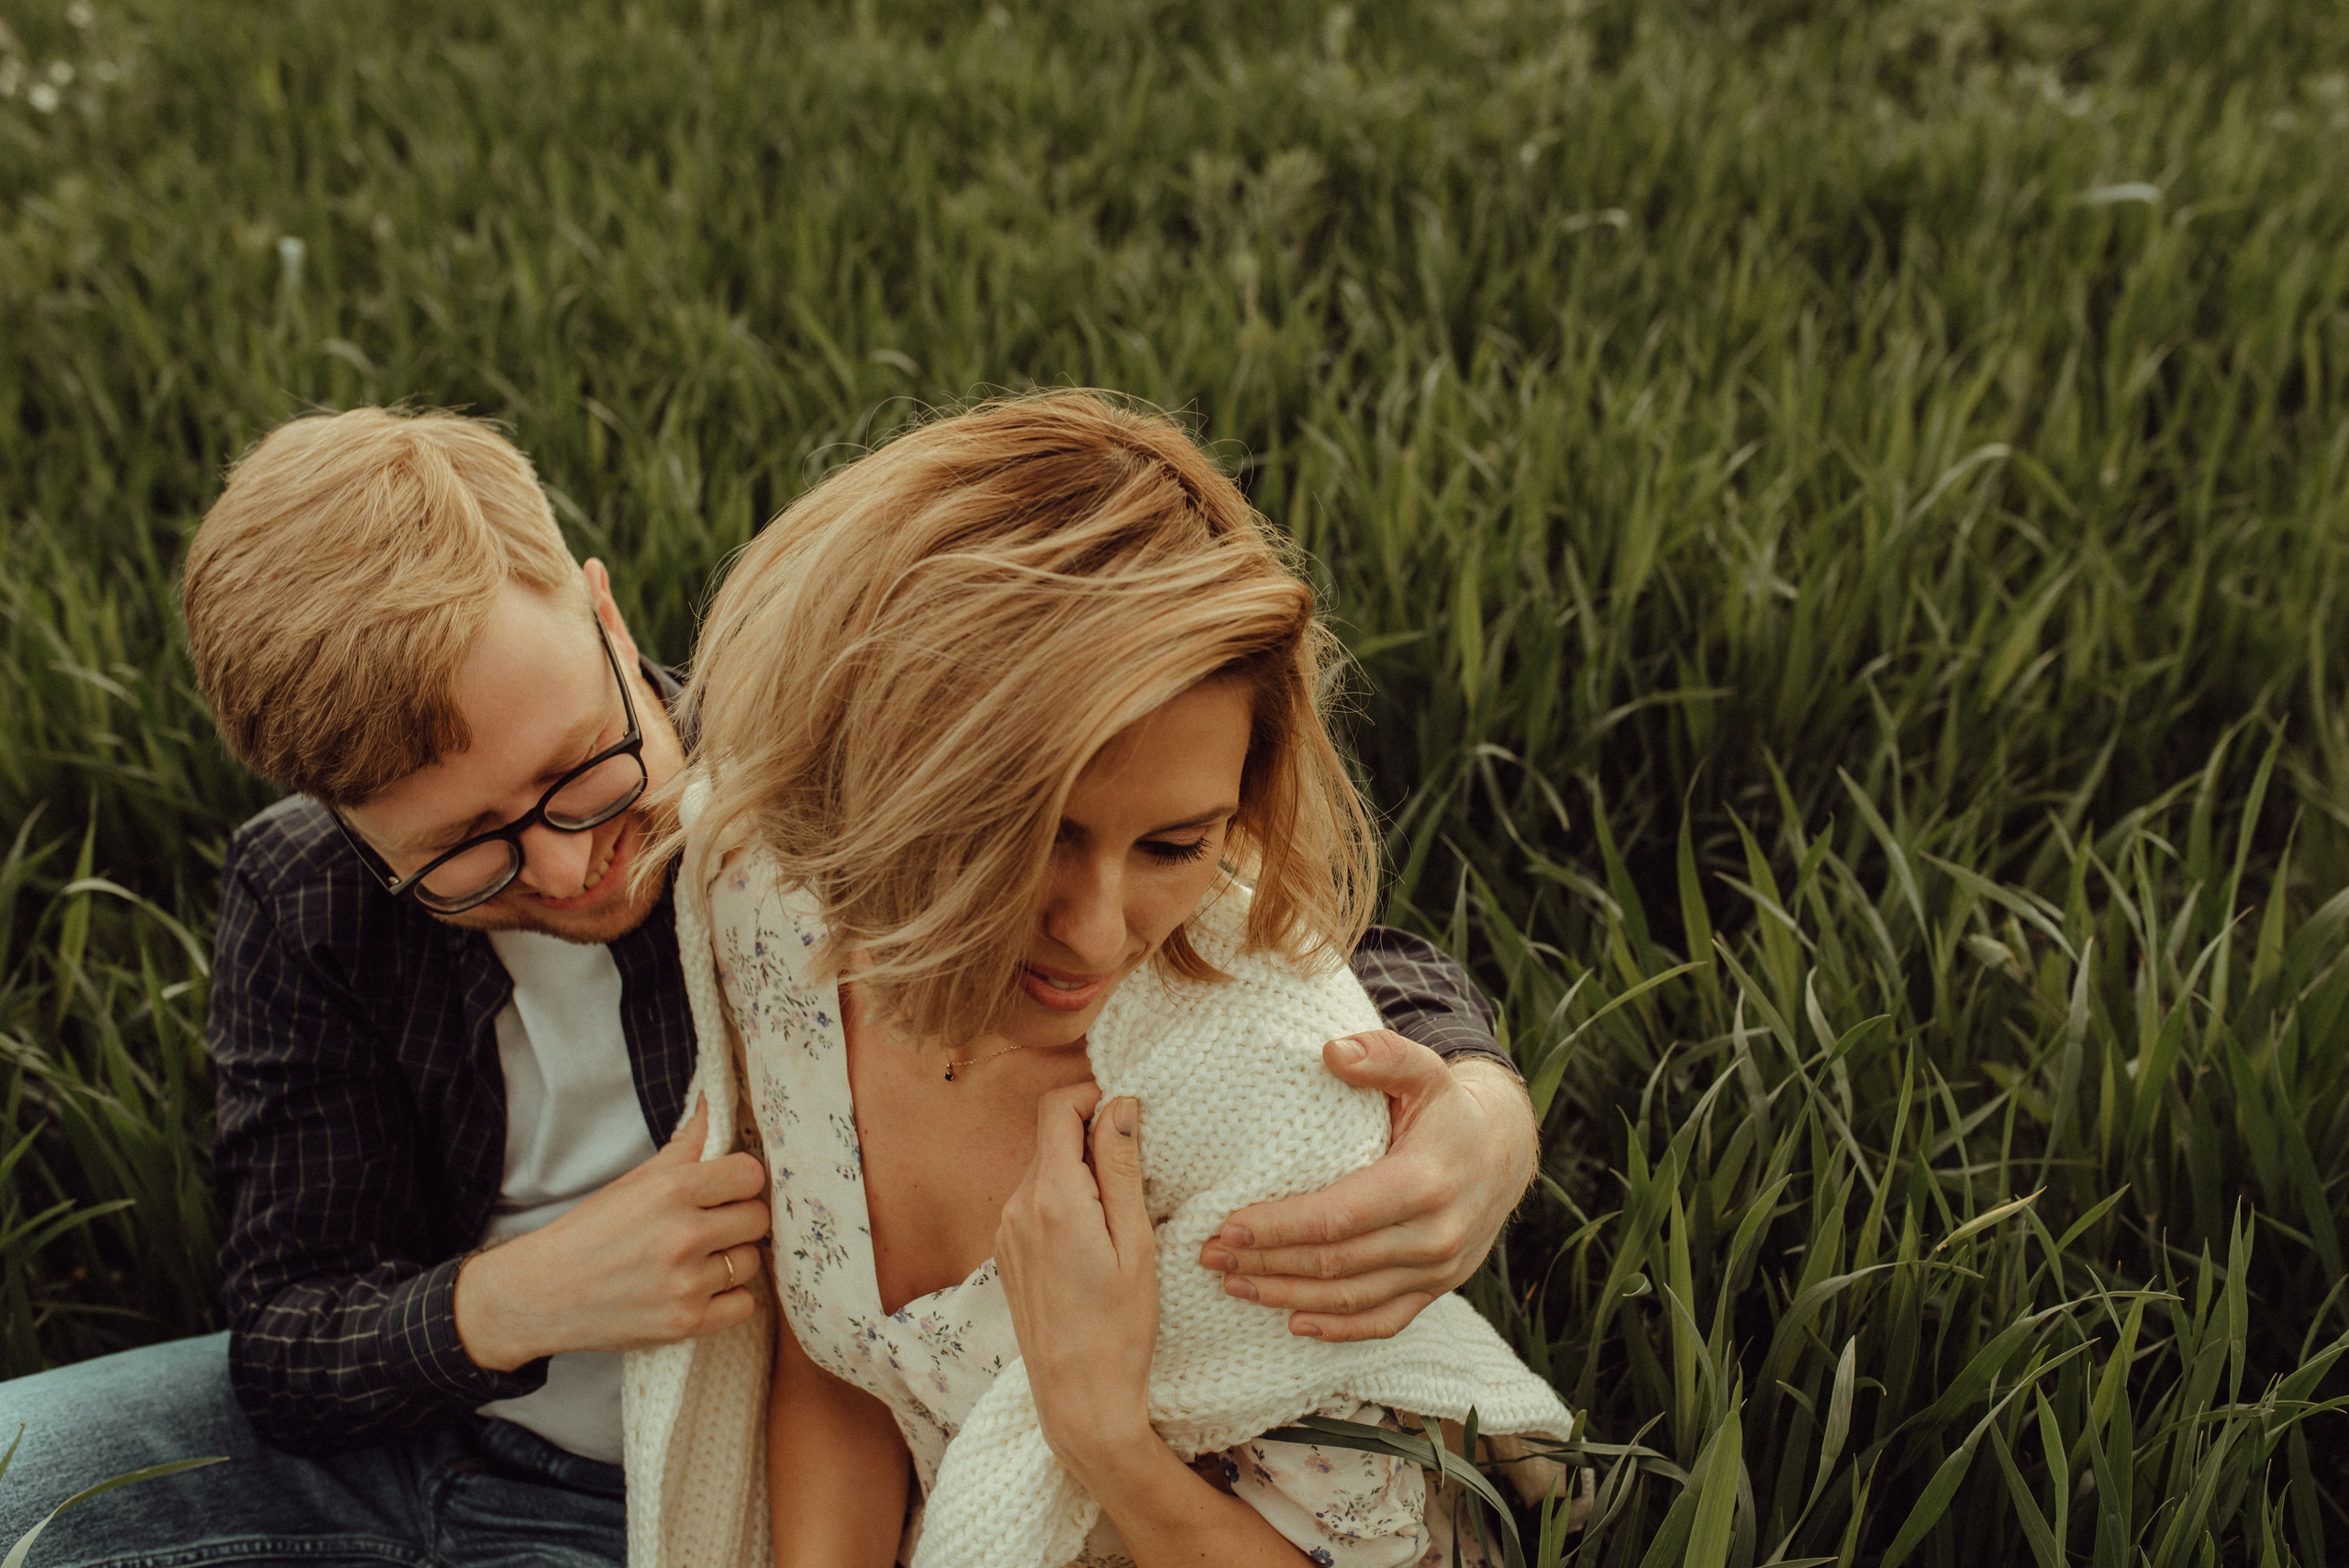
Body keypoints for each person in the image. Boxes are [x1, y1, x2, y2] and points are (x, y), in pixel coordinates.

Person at [0, 405, 1538, 1565]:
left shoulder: (794, 802)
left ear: (606, 618)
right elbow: (286, 1330)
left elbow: (1240, 936)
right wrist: (523, 1292)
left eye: (582, 775)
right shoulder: (311, 898)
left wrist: (1478, 1092)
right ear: (347, 823)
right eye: (462, 852)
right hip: (429, 1434)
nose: (565, 868)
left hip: (677, 1499)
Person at [630, 392, 1570, 1568]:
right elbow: (847, 1363)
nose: (1091, 930)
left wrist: (1102, 1435)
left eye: (1175, 846)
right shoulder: (776, 911)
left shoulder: (1266, 1117)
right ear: (887, 772)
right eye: (1031, 834)